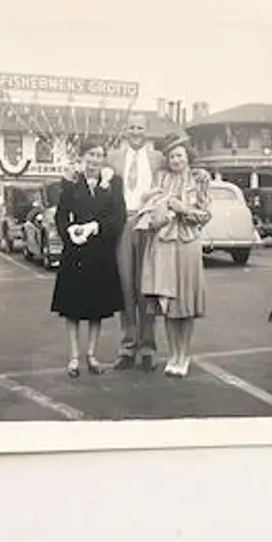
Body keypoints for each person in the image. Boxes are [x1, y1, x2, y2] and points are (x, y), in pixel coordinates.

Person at [134, 134, 212, 377]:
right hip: (164, 243)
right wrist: (154, 211)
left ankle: (184, 355)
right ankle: (173, 354)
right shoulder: (161, 179)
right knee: (167, 302)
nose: (175, 160)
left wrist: (183, 209)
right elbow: (147, 210)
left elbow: (206, 215)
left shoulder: (199, 178)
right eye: (171, 157)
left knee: (185, 304)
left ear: (188, 156)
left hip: (187, 244)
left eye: (179, 155)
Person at [51, 137, 127, 378]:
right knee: (72, 307)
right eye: (91, 154)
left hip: (101, 251)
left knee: (97, 307)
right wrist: (70, 232)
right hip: (76, 252)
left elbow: (119, 216)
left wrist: (97, 227)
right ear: (83, 157)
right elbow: (61, 215)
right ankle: (74, 357)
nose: (95, 159)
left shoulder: (113, 182)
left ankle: (92, 354)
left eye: (99, 155)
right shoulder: (72, 182)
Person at [106, 113, 165, 371]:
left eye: (140, 127)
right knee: (126, 286)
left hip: (149, 224)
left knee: (147, 288)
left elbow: (183, 167)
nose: (136, 132)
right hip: (123, 224)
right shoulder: (113, 158)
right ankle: (128, 346)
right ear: (125, 130)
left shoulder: (157, 158)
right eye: (131, 127)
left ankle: (148, 348)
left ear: (146, 130)